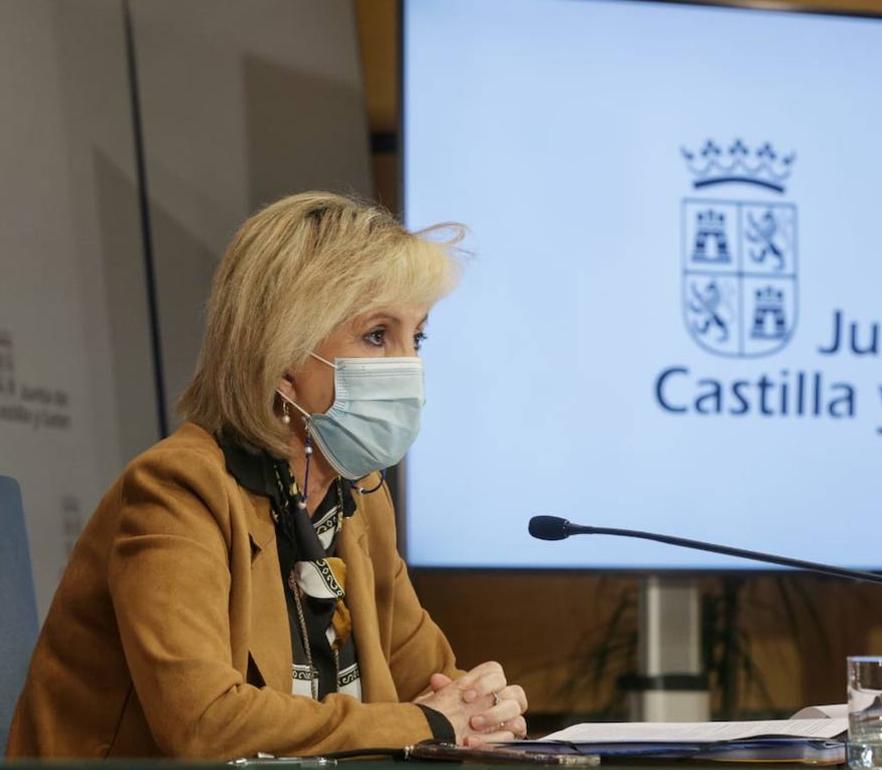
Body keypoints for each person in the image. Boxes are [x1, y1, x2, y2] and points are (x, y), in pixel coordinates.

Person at [6, 192, 527, 759]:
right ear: (283, 358)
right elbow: (205, 724)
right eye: (378, 335)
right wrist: (426, 724)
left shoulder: (359, 497)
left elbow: (432, 685)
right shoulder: (178, 490)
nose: (409, 364)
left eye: (417, 337)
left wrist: (482, 709)